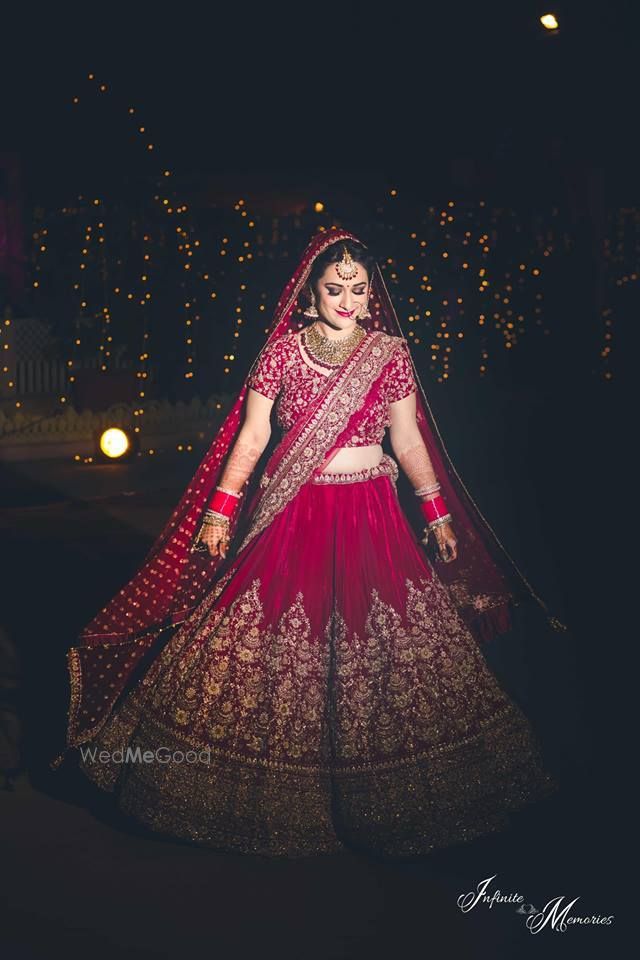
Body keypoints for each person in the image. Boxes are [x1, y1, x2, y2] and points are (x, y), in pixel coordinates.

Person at [50, 228, 563, 858]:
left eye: (358, 288)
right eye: (333, 287)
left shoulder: (388, 353)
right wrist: (220, 509)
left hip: (371, 515)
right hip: (293, 514)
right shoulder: (283, 353)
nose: (346, 299)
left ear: (372, 294)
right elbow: (253, 436)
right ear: (307, 291)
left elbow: (407, 440)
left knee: (388, 641)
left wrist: (436, 513)